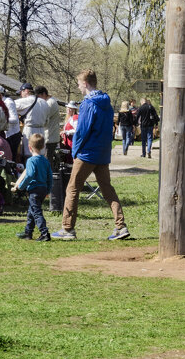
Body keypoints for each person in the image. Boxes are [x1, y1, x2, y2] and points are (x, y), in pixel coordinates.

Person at [52, 69, 130, 241]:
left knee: (72, 189)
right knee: (107, 189)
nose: (78, 87)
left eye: (79, 84)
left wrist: (75, 151)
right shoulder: (107, 104)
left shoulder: (88, 104)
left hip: (87, 154)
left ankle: (67, 228)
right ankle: (120, 226)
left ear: (85, 83)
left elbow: (82, 131)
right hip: (102, 153)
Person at [12, 133, 53, 241]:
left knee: (36, 212)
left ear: (29, 147)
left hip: (34, 190)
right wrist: (48, 190)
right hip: (43, 189)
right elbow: (50, 177)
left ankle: (45, 233)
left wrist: (21, 186)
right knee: (31, 211)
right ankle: (28, 233)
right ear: (43, 146)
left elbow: (29, 175)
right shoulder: (45, 161)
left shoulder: (31, 161)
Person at [14, 83, 49, 161]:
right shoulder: (44, 102)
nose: (20, 94)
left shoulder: (26, 101)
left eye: (21, 92)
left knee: (29, 156)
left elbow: (10, 106)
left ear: (26, 91)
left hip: (30, 131)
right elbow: (47, 121)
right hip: (41, 132)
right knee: (40, 156)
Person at [34, 86, 61, 169]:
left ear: (44, 94)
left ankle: (48, 180)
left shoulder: (50, 103)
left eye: (39, 97)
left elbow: (44, 120)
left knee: (46, 161)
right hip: (49, 136)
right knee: (47, 160)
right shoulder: (49, 102)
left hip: (50, 137)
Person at [0, 85, 21, 160]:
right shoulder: (2, 102)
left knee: (10, 159)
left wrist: (3, 121)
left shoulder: (8, 102)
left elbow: (14, 119)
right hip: (7, 134)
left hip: (12, 135)